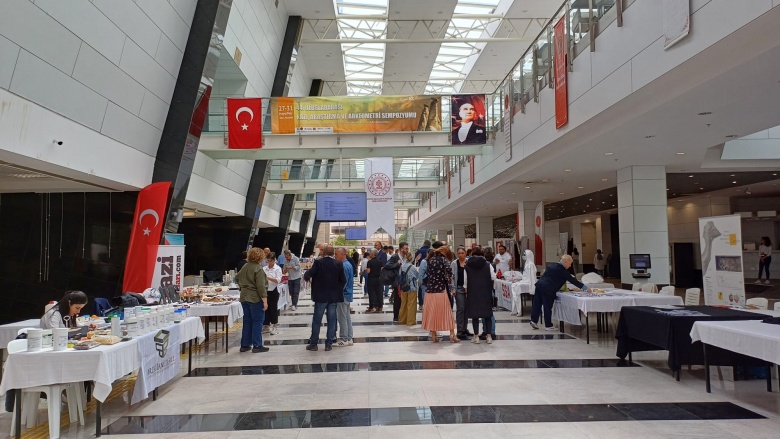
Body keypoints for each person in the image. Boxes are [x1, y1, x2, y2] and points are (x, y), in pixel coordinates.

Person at [303, 244, 346, 351]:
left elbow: (308, 274)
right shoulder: (339, 264)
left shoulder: (319, 262)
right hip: (333, 297)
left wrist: (308, 278)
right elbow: (343, 280)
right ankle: (329, 344)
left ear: (323, 253)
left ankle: (314, 344)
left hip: (320, 296)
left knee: (317, 320)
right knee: (331, 320)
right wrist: (336, 289)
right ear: (332, 253)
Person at [530, 255, 590, 331]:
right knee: (547, 306)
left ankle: (533, 320)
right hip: (548, 289)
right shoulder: (563, 271)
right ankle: (548, 325)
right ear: (565, 262)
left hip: (539, 285)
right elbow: (573, 281)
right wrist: (585, 288)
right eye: (569, 263)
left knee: (537, 304)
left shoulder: (552, 265)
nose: (570, 265)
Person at [421, 242, 459, 343]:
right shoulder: (444, 260)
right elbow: (449, 275)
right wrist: (451, 288)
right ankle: (452, 335)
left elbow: (428, 274)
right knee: (447, 312)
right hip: (441, 290)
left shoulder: (430, 260)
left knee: (433, 313)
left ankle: (434, 336)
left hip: (430, 290)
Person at [236, 247, 269, 353]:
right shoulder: (258, 268)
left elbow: (236, 278)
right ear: (260, 257)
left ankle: (245, 345)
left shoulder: (245, 266)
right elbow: (261, 286)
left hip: (244, 297)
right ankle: (257, 345)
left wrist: (243, 286)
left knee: (247, 321)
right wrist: (265, 300)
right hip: (255, 298)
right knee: (258, 321)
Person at [464, 247, 496, 344]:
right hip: (485, 291)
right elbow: (493, 277)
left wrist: (467, 291)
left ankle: (476, 336)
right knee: (487, 314)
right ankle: (489, 336)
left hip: (473, 292)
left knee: (475, 315)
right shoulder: (488, 265)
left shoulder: (467, 265)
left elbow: (465, 282)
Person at [334, 248, 354, 347]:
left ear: (342, 254)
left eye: (336, 254)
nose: (335, 255)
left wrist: (337, 292)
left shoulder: (344, 266)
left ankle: (344, 338)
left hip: (343, 295)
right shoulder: (348, 264)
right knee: (347, 317)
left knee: (342, 318)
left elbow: (343, 282)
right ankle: (349, 338)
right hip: (347, 294)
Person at [384, 242, 408, 322]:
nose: (407, 250)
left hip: (403, 281)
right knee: (397, 299)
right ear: (401, 249)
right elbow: (387, 265)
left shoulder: (405, 257)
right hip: (397, 281)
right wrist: (397, 264)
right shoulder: (395, 257)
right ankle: (396, 316)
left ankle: (402, 315)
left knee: (402, 299)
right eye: (405, 248)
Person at [451, 247, 471, 340]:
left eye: (462, 253)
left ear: (465, 253)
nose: (460, 255)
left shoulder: (469, 262)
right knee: (460, 309)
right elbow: (451, 277)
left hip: (468, 289)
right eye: (459, 253)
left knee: (467, 309)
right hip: (458, 288)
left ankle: (464, 328)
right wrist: (453, 289)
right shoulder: (454, 263)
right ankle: (459, 330)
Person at [262, 252, 283, 335]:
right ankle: (266, 325)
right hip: (265, 290)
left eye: (271, 261)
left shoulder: (277, 269)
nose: (269, 263)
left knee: (273, 308)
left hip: (274, 290)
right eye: (268, 261)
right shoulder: (264, 268)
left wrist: (268, 278)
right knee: (265, 308)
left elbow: (278, 280)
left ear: (274, 260)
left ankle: (275, 325)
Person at [398, 252, 419, 326]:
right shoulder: (412, 267)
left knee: (403, 304)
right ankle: (410, 321)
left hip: (403, 287)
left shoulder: (401, 266)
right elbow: (417, 276)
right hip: (412, 287)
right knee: (411, 304)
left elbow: (399, 275)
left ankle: (402, 320)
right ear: (410, 258)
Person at [514, 249, 536, 316]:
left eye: (524, 255)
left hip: (529, 283)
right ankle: (517, 309)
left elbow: (532, 277)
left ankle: (519, 310)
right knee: (514, 286)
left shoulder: (531, 265)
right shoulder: (527, 263)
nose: (523, 256)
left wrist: (532, 287)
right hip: (525, 281)